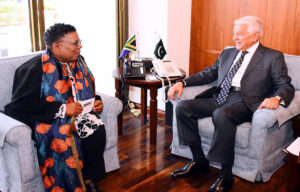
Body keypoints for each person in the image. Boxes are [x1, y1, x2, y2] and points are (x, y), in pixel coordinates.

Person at [167, 16, 295, 192]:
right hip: (219, 96)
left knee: (222, 114)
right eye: (234, 34)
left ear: (255, 36)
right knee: (182, 107)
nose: (235, 38)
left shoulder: (272, 57)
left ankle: (225, 175)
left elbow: (285, 85)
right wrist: (183, 82)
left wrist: (277, 98)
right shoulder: (228, 52)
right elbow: (209, 74)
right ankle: (198, 161)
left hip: (245, 101)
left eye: (239, 34)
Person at [5, 23, 105, 192]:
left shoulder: (79, 61)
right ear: (57, 46)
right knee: (62, 134)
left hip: (78, 113)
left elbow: (86, 89)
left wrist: (97, 101)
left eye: (79, 41)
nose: (79, 46)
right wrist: (64, 109)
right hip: (48, 117)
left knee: (97, 130)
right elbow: (21, 104)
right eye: (75, 43)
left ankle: (87, 180)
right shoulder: (34, 68)